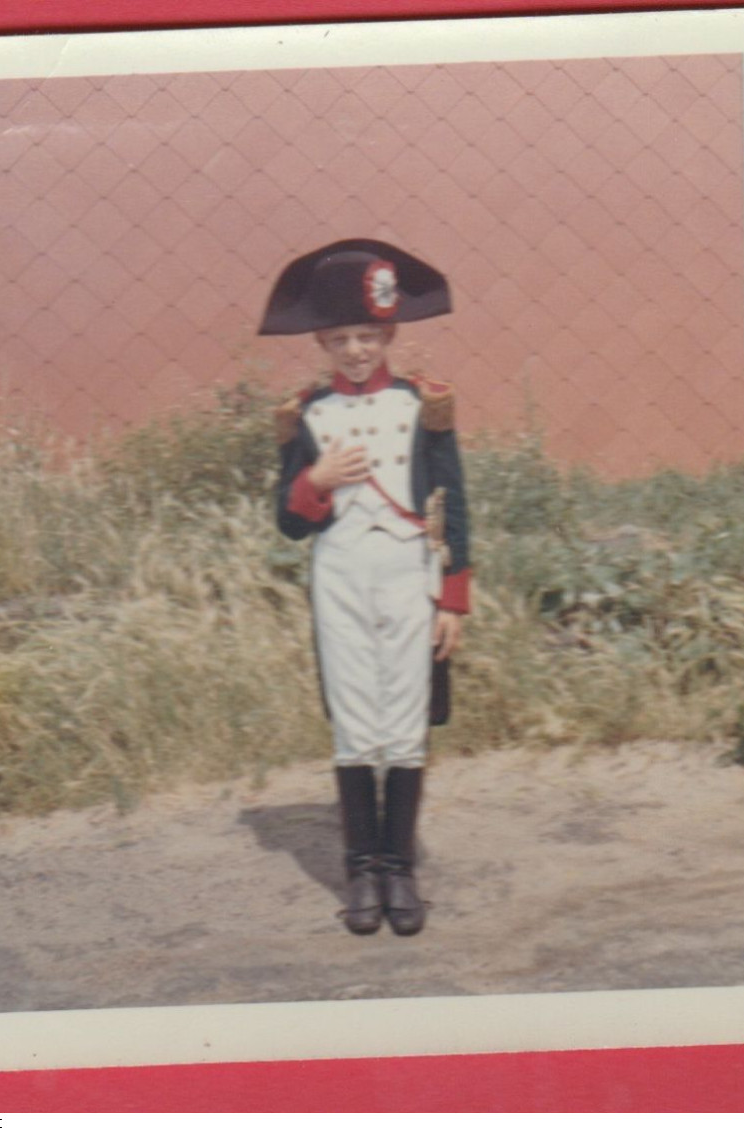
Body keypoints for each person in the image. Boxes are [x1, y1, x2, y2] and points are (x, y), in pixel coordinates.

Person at [259, 238, 470, 936]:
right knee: (354, 719)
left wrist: (453, 599)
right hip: (341, 574)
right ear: (321, 339)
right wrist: (313, 483)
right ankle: (361, 868)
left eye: (367, 336)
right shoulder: (307, 414)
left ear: (389, 333)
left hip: (409, 572)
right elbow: (288, 524)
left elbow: (453, 501)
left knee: (405, 720)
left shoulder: (422, 405)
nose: (354, 350)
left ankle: (399, 866)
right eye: (341, 338)